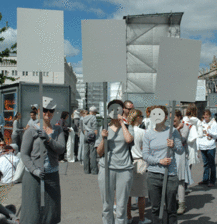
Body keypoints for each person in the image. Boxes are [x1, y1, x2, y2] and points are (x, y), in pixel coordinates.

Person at [20, 96, 65, 224]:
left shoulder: (58, 130)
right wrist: (34, 170)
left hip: (52, 176)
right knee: (32, 211)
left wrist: (49, 139)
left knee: (51, 211)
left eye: (50, 110)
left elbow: (61, 149)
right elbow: (24, 154)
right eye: (44, 110)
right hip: (34, 177)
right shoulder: (31, 131)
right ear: (39, 111)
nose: (47, 113)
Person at [95, 99, 134, 224]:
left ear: (122, 111)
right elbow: (99, 152)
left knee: (122, 206)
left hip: (124, 169)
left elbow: (129, 140)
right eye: (112, 109)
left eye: (118, 109)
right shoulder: (104, 128)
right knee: (107, 206)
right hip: (107, 168)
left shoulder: (128, 127)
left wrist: (122, 123)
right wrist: (103, 138)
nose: (115, 112)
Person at [143, 105, 183, 224]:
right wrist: (159, 161)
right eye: (154, 114)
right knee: (155, 208)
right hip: (153, 175)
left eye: (159, 114)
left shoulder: (173, 131)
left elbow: (180, 150)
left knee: (171, 208)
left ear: (166, 117)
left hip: (170, 175)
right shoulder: (148, 134)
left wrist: (174, 146)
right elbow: (145, 155)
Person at [126, 109, 151, 224]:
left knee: (127, 194)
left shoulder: (126, 131)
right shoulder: (143, 132)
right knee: (141, 194)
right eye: (141, 116)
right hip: (140, 162)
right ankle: (141, 218)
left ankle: (128, 217)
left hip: (128, 162)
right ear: (138, 118)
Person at [172, 110, 194, 214]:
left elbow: (181, 141)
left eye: (175, 117)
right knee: (171, 180)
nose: (173, 119)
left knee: (180, 180)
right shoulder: (169, 127)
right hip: (170, 155)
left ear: (179, 117)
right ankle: (172, 202)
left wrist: (178, 129)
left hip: (180, 155)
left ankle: (181, 204)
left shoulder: (185, 127)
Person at [198, 109, 217, 187]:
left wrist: (209, 130)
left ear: (210, 116)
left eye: (207, 115)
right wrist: (198, 145)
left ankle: (212, 180)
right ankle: (205, 179)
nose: (205, 116)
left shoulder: (214, 124)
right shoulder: (201, 123)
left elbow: (216, 135)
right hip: (203, 146)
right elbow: (199, 134)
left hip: (210, 146)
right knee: (205, 164)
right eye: (204, 115)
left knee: (211, 164)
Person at [182, 103, 203, 169]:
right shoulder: (198, 121)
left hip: (183, 142)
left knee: (182, 164)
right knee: (189, 164)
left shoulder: (184, 120)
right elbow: (201, 134)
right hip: (192, 145)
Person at [83, 106, 98, 174]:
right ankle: (94, 170)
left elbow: (83, 128)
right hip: (91, 135)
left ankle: (86, 170)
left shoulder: (85, 117)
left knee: (86, 153)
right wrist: (96, 137)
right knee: (93, 153)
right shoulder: (93, 117)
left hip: (85, 135)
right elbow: (95, 129)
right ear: (94, 112)